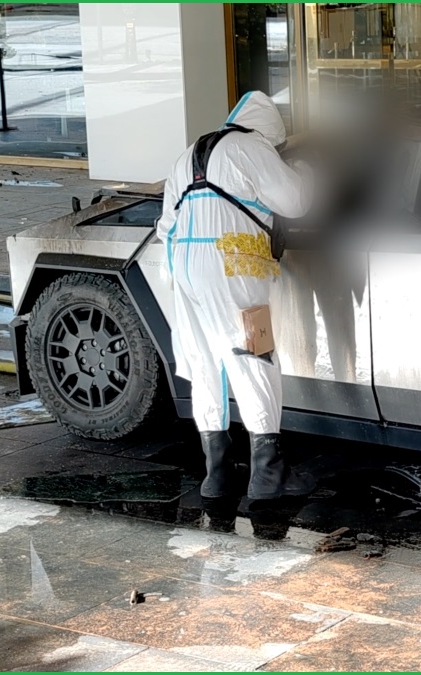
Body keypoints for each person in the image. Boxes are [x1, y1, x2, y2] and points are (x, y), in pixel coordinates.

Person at [156, 90, 315, 501]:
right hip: (233, 269)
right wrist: (304, 171)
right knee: (253, 358)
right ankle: (267, 474)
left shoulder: (189, 153)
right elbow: (296, 202)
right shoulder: (253, 147)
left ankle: (217, 474)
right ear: (270, 134)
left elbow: (167, 223)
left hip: (186, 270)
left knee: (205, 362)